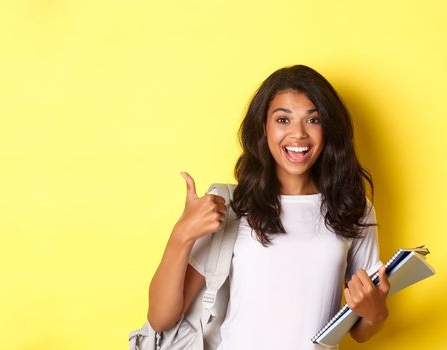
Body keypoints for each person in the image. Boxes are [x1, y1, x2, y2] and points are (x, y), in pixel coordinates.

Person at [146, 64, 390, 349]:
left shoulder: (353, 208)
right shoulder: (235, 206)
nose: (298, 134)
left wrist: (376, 313)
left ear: (329, 129)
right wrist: (181, 235)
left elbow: (359, 331)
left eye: (313, 120)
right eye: (283, 120)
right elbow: (160, 319)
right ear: (264, 127)